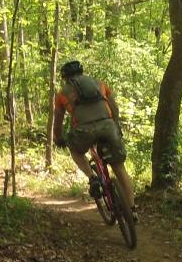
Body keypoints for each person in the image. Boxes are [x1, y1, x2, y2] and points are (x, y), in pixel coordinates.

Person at [52, 60, 136, 219]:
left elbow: (58, 120)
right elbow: (114, 108)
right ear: (82, 72)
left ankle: (92, 178)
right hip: (108, 127)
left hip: (83, 131)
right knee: (120, 169)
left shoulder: (62, 94)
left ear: (65, 78)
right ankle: (132, 210)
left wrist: (59, 138)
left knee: (75, 151)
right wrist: (116, 127)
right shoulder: (99, 84)